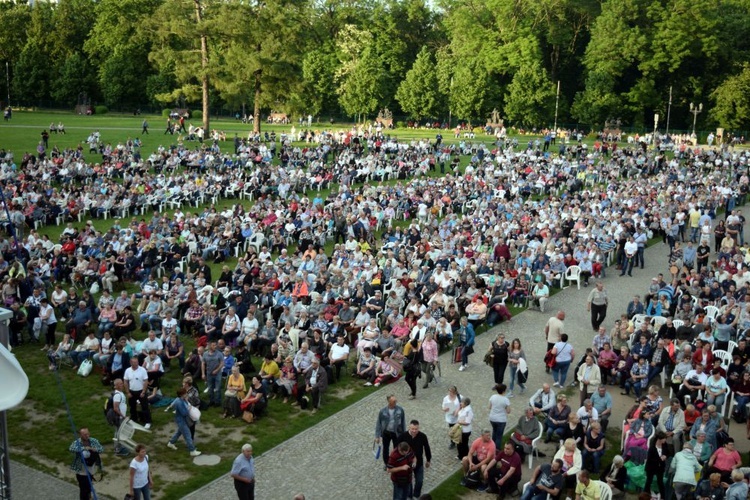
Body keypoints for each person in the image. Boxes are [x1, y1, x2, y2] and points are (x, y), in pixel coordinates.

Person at [397, 420, 431, 499]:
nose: (414, 431)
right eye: (413, 429)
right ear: (409, 427)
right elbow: (397, 447)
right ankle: (409, 495)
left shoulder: (422, 436)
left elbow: (427, 448)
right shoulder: (403, 436)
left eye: (416, 429)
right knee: (409, 482)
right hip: (406, 463)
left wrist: (428, 460)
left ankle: (416, 495)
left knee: (419, 480)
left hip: (419, 462)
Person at [69, 428, 104, 500]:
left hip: (91, 469)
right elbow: (71, 448)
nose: (87, 435)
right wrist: (84, 448)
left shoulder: (93, 441)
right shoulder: (77, 442)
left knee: (88, 486)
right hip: (81, 470)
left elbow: (101, 449)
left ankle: (88, 496)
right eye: (85, 434)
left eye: (88, 434)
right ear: (81, 435)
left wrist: (94, 449)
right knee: (83, 488)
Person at [166, 388, 202, 456]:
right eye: (185, 393)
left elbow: (173, 405)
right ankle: (192, 450)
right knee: (188, 435)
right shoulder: (179, 402)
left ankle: (171, 443)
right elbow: (184, 413)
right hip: (182, 421)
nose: (186, 394)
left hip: (182, 420)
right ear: (181, 395)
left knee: (179, 433)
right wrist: (189, 408)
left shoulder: (180, 399)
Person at [375, 394, 406, 469]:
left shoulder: (400, 410)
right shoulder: (383, 411)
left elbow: (403, 422)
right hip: (386, 433)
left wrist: (404, 434)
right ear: (389, 402)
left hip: (396, 433)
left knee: (397, 449)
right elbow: (378, 423)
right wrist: (377, 436)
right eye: (393, 401)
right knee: (385, 449)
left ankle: (396, 462)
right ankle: (387, 463)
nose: (395, 402)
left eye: (395, 400)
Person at [123, 357, 151, 429]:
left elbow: (145, 381)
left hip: (141, 391)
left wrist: (143, 392)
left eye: (137, 362)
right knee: (132, 407)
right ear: (131, 363)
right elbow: (125, 381)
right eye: (134, 362)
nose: (136, 364)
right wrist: (128, 392)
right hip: (132, 391)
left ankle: (147, 421)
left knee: (145, 407)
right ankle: (134, 419)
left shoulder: (142, 370)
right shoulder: (127, 370)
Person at [644, 431, 669, 499]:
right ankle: (645, 496)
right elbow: (650, 459)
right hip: (651, 467)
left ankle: (663, 497)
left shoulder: (664, 445)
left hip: (660, 467)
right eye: (664, 438)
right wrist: (660, 459)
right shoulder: (652, 447)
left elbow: (668, 452)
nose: (665, 440)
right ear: (659, 439)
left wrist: (665, 456)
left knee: (660, 482)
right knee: (649, 481)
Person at [488, 383, 511, 450]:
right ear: (503, 391)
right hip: (501, 420)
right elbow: (508, 411)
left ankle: (491, 447)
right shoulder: (506, 399)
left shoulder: (493, 397)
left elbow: (489, 407)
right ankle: (496, 450)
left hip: (492, 418)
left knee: (494, 432)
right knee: (499, 436)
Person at [202, 341, 224, 407]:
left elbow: (222, 363)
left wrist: (217, 370)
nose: (215, 346)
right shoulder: (205, 354)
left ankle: (217, 402)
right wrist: (203, 373)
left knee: (217, 388)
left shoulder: (219, 354)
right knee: (210, 387)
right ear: (210, 346)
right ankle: (211, 401)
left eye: (215, 345)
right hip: (209, 373)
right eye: (213, 345)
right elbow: (203, 363)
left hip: (217, 373)